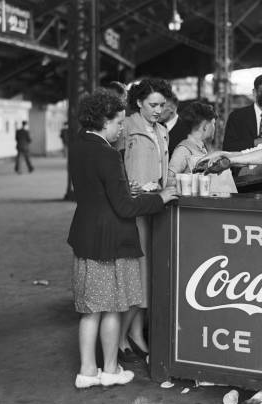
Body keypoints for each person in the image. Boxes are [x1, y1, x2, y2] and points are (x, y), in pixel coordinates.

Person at [68, 88, 178, 388]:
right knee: (114, 308)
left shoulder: (78, 145)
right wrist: (161, 198)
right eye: (118, 123)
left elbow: (95, 191)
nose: (121, 128)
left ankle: (87, 372)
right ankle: (112, 370)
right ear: (105, 122)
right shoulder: (107, 153)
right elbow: (125, 207)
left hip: (85, 235)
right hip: (112, 239)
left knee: (90, 310)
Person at [121, 78, 173, 362]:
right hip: (134, 207)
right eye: (152, 104)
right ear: (138, 102)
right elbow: (110, 159)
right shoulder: (126, 126)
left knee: (150, 271)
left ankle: (136, 331)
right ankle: (123, 335)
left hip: (157, 204)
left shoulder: (163, 130)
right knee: (136, 272)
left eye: (162, 105)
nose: (157, 110)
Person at [167, 102, 237, 193]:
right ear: (205, 126)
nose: (214, 128)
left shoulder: (202, 148)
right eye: (213, 124)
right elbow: (168, 181)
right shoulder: (183, 149)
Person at [222, 73, 262, 177]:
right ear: (254, 92)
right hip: (244, 175)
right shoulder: (237, 117)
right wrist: (255, 142)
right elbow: (228, 148)